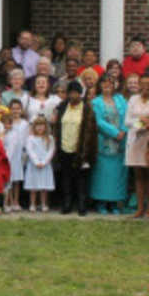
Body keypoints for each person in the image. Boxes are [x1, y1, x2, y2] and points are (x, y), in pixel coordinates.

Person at [54, 81, 97, 215]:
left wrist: (87, 151)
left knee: (81, 178)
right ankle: (67, 204)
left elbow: (91, 130)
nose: (72, 95)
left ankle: (82, 205)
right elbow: (57, 125)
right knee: (66, 177)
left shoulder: (86, 108)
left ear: (80, 94)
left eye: (75, 93)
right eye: (70, 93)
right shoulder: (62, 106)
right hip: (64, 147)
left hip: (80, 148)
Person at [90, 78, 128, 214]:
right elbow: (98, 121)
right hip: (104, 142)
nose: (107, 85)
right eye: (104, 83)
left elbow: (127, 117)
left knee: (118, 175)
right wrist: (114, 132)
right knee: (102, 174)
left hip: (120, 144)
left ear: (114, 85)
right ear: (100, 85)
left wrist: (123, 130)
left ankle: (114, 203)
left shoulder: (121, 100)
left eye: (110, 83)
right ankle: (101, 203)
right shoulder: (95, 102)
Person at [125, 73, 149, 218]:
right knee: (138, 176)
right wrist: (141, 122)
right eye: (143, 84)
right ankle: (139, 208)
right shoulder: (133, 99)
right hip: (135, 140)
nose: (146, 87)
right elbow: (127, 121)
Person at [25, 115, 55, 212]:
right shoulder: (31, 138)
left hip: (45, 165)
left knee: (44, 187)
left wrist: (44, 162)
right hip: (34, 165)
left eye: (42, 125)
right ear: (34, 127)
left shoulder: (50, 138)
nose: (40, 127)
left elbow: (51, 150)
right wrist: (36, 162)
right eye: (37, 125)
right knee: (33, 186)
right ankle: (33, 204)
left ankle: (43, 204)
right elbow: (30, 150)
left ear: (45, 127)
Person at [3, 102, 28, 213]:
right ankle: (8, 201)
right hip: (9, 156)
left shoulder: (25, 124)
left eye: (18, 108)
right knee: (9, 179)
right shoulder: (7, 123)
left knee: (17, 180)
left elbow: (26, 138)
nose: (16, 111)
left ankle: (16, 202)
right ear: (9, 109)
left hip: (19, 154)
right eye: (13, 108)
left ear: (21, 110)